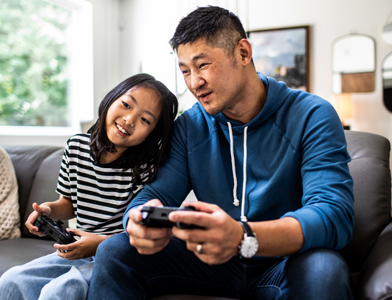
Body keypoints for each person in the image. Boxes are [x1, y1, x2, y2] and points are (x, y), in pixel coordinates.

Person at [87, 6, 355, 300]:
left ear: (243, 53)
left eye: (202, 65)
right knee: (115, 250)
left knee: (325, 269)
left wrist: (243, 237)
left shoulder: (312, 115)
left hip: (283, 261)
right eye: (185, 70)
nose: (193, 83)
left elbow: (333, 215)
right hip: (210, 263)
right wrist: (137, 220)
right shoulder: (189, 126)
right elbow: (155, 195)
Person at [0, 73, 178, 300]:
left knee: (61, 290)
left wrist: (99, 244)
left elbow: (140, 229)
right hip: (78, 250)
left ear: (151, 134)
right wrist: (48, 210)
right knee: (12, 279)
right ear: (110, 99)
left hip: (117, 256)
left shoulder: (144, 169)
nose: (130, 119)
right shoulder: (76, 147)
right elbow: (69, 203)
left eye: (145, 120)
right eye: (126, 105)